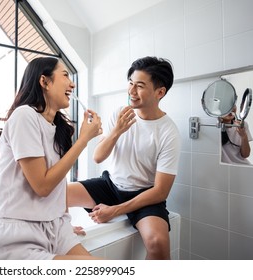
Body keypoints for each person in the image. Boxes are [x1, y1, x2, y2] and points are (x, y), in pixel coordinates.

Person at [0, 56, 103, 260]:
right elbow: (43, 186)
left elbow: (58, 184)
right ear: (44, 81)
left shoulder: (58, 129)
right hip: (17, 236)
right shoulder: (24, 116)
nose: (72, 83)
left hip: (54, 228)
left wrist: (61, 221)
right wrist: (83, 140)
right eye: (65, 75)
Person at [68, 56, 181, 260]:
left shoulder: (168, 132)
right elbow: (98, 157)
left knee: (158, 243)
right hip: (111, 186)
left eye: (139, 86)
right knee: (58, 194)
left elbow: (161, 191)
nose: (131, 91)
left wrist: (114, 211)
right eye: (130, 83)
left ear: (160, 92)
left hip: (145, 196)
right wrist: (117, 131)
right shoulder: (121, 113)